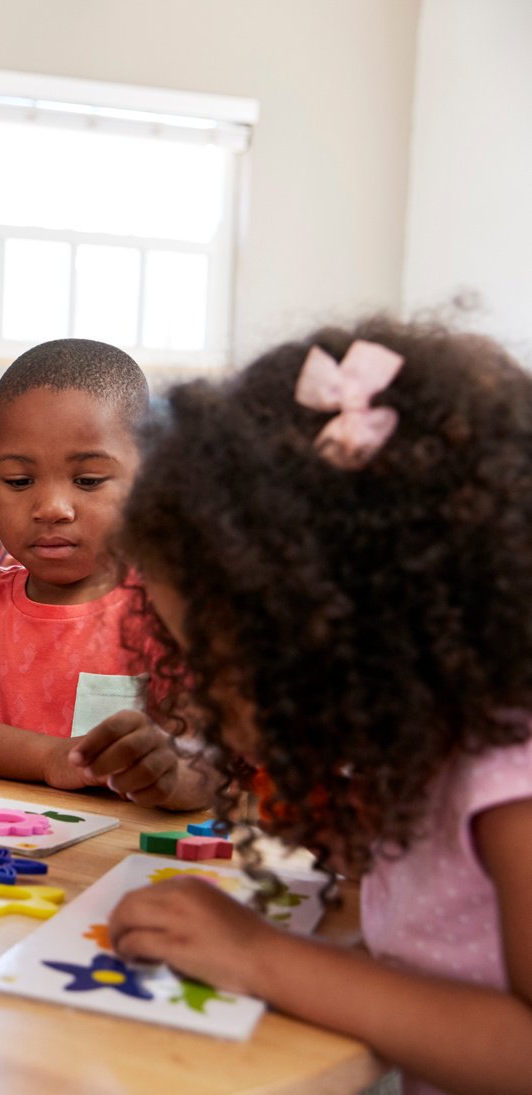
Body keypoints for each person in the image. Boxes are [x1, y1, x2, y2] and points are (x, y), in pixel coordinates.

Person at [105, 320, 532, 1094]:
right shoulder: (422, 748)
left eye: (209, 657)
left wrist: (263, 957)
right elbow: (433, 963)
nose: (192, 689)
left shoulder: (512, 778)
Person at [0, 339, 212, 809]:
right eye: (19, 481)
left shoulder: (173, 606)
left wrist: (170, 776)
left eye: (88, 481)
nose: (52, 508)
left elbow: (215, 762)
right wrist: (51, 758)